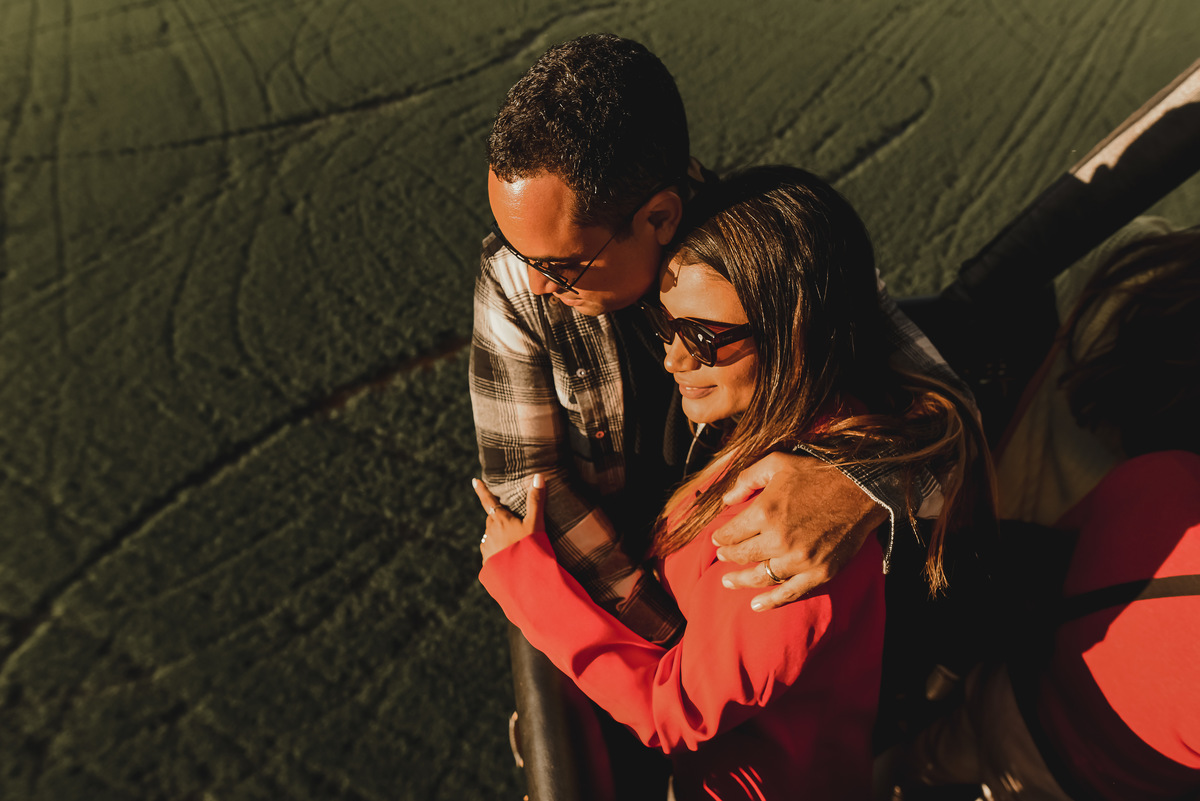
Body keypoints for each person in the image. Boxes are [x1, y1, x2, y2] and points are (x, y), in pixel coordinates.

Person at [473, 166, 992, 800]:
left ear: (795, 332)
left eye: (705, 338)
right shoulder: (773, 434)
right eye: (666, 327)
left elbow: (676, 712)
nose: (673, 359)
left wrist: (526, 582)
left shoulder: (788, 537)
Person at [471, 34, 971, 648]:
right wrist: (685, 647)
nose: (538, 283)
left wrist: (859, 488)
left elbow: (950, 414)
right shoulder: (516, 278)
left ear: (660, 217)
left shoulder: (782, 252)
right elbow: (530, 490)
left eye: (563, 264)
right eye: (521, 250)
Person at [891, 223, 1200, 800]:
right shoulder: (1170, 483)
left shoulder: (1142, 266)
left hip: (997, 594)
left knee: (922, 761)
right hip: (1073, 703)